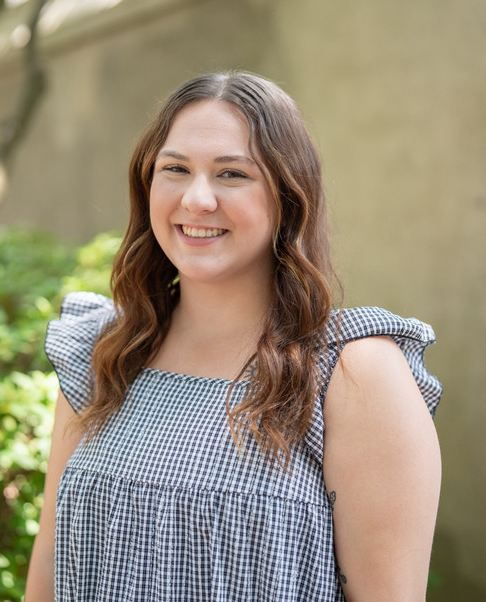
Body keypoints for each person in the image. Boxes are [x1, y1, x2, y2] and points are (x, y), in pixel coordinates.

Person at [25, 71, 442, 602]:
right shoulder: (100, 353)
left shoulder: (353, 375)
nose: (197, 199)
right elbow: (46, 574)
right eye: (174, 169)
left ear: (289, 196)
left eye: (232, 174)